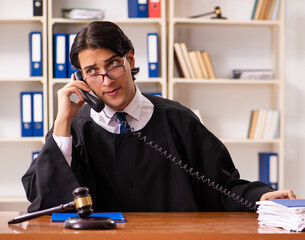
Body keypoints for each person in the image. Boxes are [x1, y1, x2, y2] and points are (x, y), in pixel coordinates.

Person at [22, 21, 299, 213]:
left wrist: (261, 197)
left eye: (113, 64)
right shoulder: (76, 129)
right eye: (92, 71)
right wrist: (62, 122)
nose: (106, 80)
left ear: (130, 60)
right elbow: (43, 199)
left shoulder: (178, 120)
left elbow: (221, 185)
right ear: (80, 78)